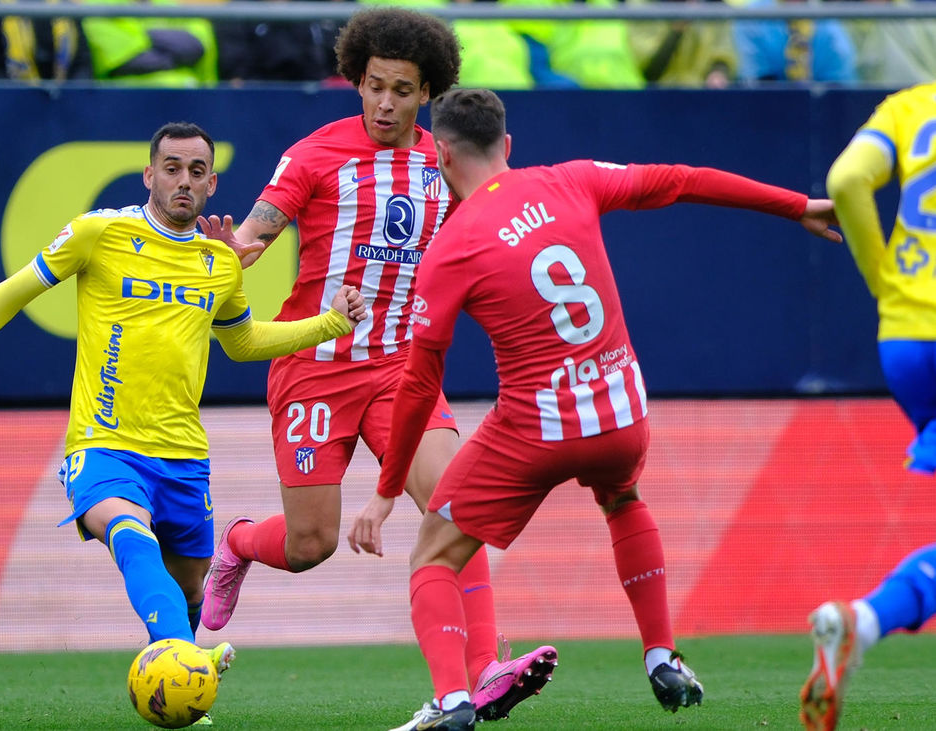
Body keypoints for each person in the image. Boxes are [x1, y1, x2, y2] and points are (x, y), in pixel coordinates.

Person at [357, 87, 841, 730]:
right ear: (507, 145)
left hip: (532, 431)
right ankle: (661, 654)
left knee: (434, 554)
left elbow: (420, 383)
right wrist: (796, 205)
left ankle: (452, 702)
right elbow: (682, 180)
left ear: (440, 154)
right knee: (623, 502)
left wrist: (387, 489)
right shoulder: (572, 180)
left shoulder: (450, 247)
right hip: (620, 415)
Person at [0, 122, 367, 722]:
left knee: (187, 594)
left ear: (211, 183)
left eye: (196, 171)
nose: (184, 180)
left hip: (183, 455)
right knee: (131, 538)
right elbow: (14, 291)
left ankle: (179, 670)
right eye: (172, 168)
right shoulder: (101, 233)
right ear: (149, 174)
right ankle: (185, 660)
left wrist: (327, 326)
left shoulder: (219, 262)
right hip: (103, 445)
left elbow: (243, 342)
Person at [199, 9, 553, 718]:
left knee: (457, 507)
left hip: (399, 369)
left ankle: (480, 672)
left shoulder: (443, 160)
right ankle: (237, 542)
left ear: (429, 93)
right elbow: (255, 237)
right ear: (355, 82)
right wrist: (226, 250)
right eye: (374, 86)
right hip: (314, 366)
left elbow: (473, 246)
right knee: (311, 544)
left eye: (402, 89)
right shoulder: (312, 156)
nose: (386, 103)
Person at [800, 82, 936, 731]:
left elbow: (848, 178)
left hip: (907, 337)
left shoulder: (912, 105)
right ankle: (868, 618)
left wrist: (883, 278)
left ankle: (866, 620)